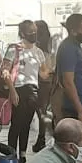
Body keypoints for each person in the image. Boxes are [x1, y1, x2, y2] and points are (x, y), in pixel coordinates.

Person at [0, 20, 50, 163]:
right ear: (22, 33)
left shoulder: (38, 52)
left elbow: (43, 74)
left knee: (26, 125)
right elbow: (5, 71)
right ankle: (11, 155)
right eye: (30, 32)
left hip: (33, 90)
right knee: (16, 124)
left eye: (35, 31)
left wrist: (51, 70)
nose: (34, 34)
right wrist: (12, 90)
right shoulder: (14, 49)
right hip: (18, 89)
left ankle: (22, 155)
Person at [54, 14, 82, 129]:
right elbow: (68, 82)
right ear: (73, 31)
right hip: (74, 110)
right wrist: (80, 111)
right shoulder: (68, 48)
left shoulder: (77, 47)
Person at [32, 20, 55, 153]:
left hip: (39, 80)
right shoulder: (48, 42)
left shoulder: (36, 46)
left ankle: (41, 138)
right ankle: (42, 138)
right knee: (43, 111)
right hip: (48, 81)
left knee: (40, 111)